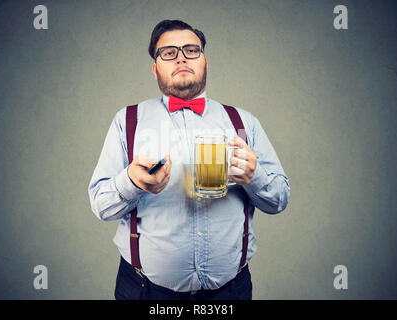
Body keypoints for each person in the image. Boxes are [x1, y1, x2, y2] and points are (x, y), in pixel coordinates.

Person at [88, 19, 290, 300]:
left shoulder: (243, 123)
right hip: (144, 292)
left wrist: (254, 178)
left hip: (230, 293)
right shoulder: (128, 121)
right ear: (155, 68)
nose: (181, 56)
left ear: (205, 62)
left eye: (191, 50)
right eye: (168, 52)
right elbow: (100, 206)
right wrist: (132, 182)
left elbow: (278, 201)